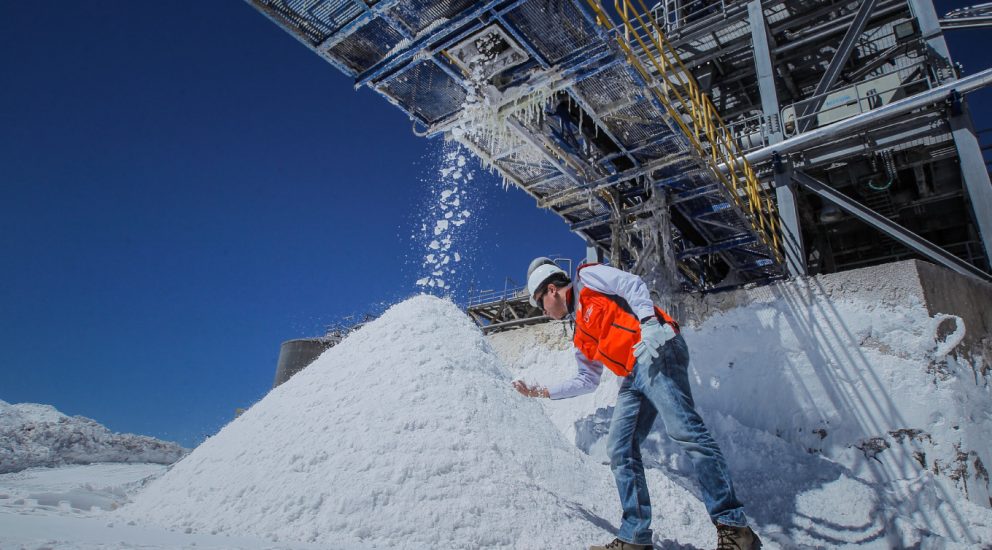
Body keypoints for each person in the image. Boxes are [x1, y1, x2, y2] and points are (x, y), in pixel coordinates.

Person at [512, 258, 761, 550]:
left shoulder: (588, 279)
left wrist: (648, 323)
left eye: (541, 304)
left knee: (686, 431)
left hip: (657, 349)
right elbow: (587, 380)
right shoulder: (580, 331)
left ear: (552, 289)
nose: (543, 312)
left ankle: (734, 527)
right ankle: (635, 538)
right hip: (633, 375)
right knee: (619, 446)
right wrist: (543, 392)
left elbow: (631, 284)